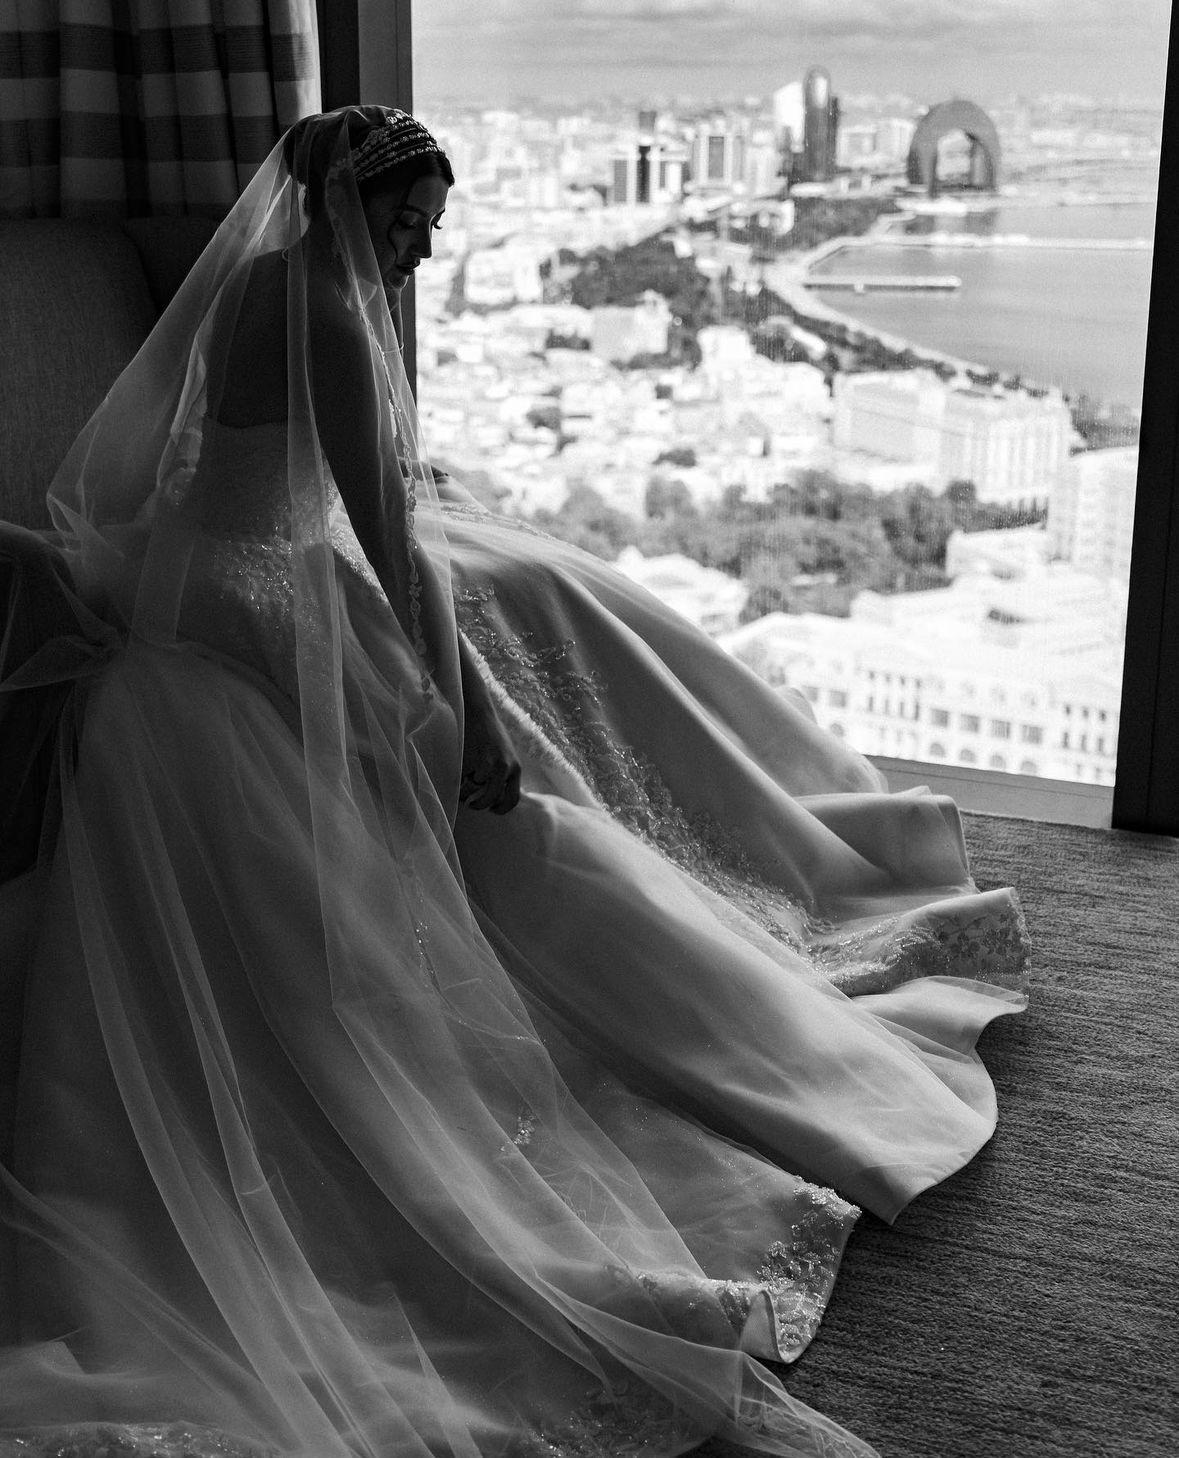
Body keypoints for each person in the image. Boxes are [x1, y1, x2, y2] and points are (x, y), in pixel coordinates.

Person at [0, 106, 1028, 1458]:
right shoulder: (331, 316)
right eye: (409, 225)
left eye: (433, 229)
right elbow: (389, 542)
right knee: (437, 850)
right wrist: (468, 709)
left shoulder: (251, 283)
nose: (422, 254)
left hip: (180, 620)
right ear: (352, 208)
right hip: (265, 617)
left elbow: (200, 468)